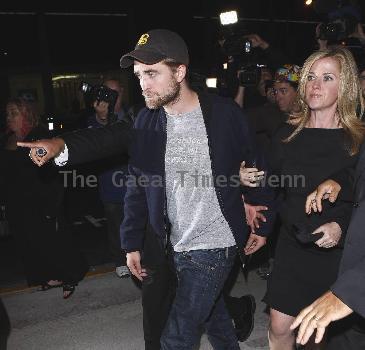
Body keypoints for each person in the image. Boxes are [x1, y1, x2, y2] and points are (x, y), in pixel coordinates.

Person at [18, 29, 275, 349]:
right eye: (139, 75)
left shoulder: (223, 115)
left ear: (180, 71)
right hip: (176, 243)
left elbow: (257, 163)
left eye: (152, 73)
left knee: (177, 336)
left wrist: (261, 219)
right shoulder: (147, 123)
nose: (143, 83)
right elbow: (128, 174)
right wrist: (60, 145)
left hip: (214, 243)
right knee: (215, 319)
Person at [260, 47, 364, 349]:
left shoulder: (357, 140)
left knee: (315, 336)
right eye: (311, 78)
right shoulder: (287, 135)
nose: (315, 85)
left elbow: (361, 198)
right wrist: (249, 183)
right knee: (280, 326)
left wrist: (340, 227)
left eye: (327, 77)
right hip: (292, 246)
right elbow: (272, 186)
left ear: (344, 87)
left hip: (336, 256)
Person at [0, 97, 89, 299]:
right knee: (31, 242)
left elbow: (54, 172)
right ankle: (48, 276)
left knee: (55, 241)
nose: (9, 117)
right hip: (18, 203)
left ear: (26, 114)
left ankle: (69, 277)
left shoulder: (39, 136)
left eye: (14, 113)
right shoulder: (7, 139)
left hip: (42, 199)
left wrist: (53, 205)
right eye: (7, 113)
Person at [87, 77, 130, 278]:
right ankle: (120, 260)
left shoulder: (133, 115)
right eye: (107, 93)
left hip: (136, 184)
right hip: (110, 185)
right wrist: (103, 119)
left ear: (122, 93)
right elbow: (96, 145)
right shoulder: (93, 121)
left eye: (116, 93)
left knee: (142, 224)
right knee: (115, 227)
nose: (112, 98)